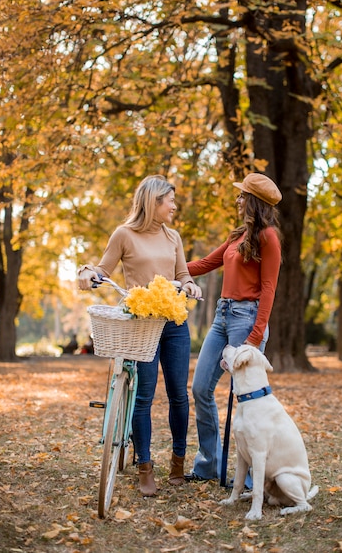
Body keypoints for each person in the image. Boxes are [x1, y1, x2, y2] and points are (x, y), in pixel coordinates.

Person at [77, 175, 202, 496]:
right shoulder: (124, 234)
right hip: (141, 323)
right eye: (170, 200)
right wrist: (89, 273)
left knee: (178, 395)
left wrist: (189, 285)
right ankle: (144, 466)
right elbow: (103, 269)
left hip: (174, 322)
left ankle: (177, 460)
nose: (174, 206)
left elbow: (183, 274)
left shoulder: (173, 236)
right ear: (153, 201)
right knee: (144, 396)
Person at [185, 172, 282, 482]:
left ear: (253, 201)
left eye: (242, 196)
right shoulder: (235, 236)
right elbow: (203, 264)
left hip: (247, 319)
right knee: (201, 388)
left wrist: (254, 339)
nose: (238, 200)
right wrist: (165, 267)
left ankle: (254, 478)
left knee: (249, 401)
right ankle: (209, 466)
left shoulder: (268, 237)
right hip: (222, 317)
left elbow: (268, 288)